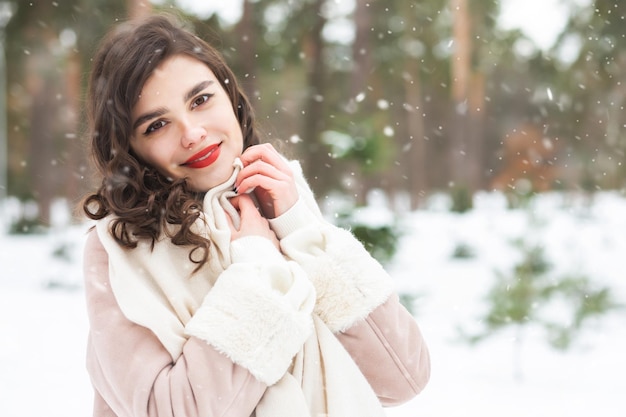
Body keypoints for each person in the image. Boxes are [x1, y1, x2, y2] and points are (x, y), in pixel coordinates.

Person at [81, 13, 430, 417]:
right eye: (157, 124)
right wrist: (260, 273)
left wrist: (301, 230)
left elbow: (403, 377)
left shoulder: (277, 200)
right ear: (129, 148)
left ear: (230, 96)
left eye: (200, 100)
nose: (192, 132)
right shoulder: (120, 249)